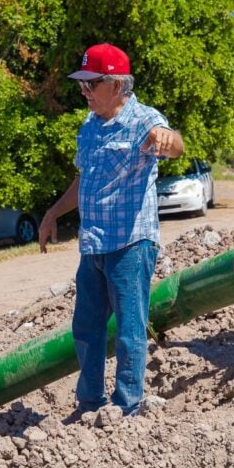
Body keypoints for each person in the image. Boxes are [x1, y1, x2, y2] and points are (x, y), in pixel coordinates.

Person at [39, 43, 184, 419]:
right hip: (94, 245)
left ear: (117, 85)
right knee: (85, 328)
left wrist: (169, 141)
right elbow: (83, 179)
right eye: (82, 85)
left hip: (131, 243)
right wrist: (53, 212)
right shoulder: (89, 127)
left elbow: (171, 142)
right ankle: (89, 403)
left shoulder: (144, 119)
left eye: (91, 84)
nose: (84, 92)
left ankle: (127, 406)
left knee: (129, 329)